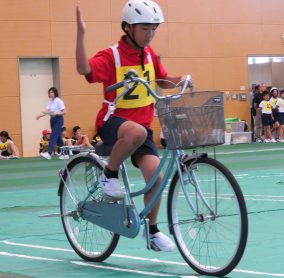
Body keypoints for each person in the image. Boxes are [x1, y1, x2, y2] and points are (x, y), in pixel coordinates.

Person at [76, 0, 187, 252]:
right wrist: (81, 34)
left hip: (141, 130)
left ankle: (152, 230)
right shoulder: (111, 55)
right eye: (145, 28)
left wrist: (180, 80)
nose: (150, 34)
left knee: (156, 178)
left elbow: (162, 79)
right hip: (113, 122)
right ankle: (109, 175)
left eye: (153, 29)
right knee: (135, 131)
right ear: (128, 27)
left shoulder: (148, 54)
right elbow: (84, 69)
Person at [36, 87, 69, 160]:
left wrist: (58, 113)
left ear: (55, 93)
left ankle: (49, 153)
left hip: (58, 120)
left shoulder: (59, 101)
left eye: (51, 92)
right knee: (57, 138)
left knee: (53, 136)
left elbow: (64, 112)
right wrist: (40, 116)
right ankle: (65, 154)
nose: (50, 94)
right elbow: (47, 111)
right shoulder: (49, 101)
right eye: (49, 92)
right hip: (52, 120)